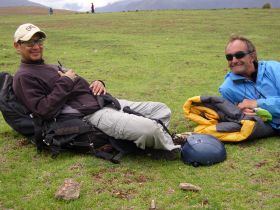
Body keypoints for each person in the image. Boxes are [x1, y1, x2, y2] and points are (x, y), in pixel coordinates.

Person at [12, 23, 181, 159]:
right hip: (90, 114)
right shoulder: (23, 77)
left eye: (39, 41)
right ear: (17, 46)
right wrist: (65, 81)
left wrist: (97, 82)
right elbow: (43, 110)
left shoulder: (50, 67)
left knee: (162, 109)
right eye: (29, 42)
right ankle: (170, 148)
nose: (36, 46)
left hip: (103, 101)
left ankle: (142, 140)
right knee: (150, 129)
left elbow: (78, 85)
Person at [219, 35, 280, 131]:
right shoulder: (227, 89)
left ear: (252, 56)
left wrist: (257, 103)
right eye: (229, 57)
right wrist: (240, 112)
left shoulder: (275, 69)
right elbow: (230, 116)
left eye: (239, 55)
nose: (234, 61)